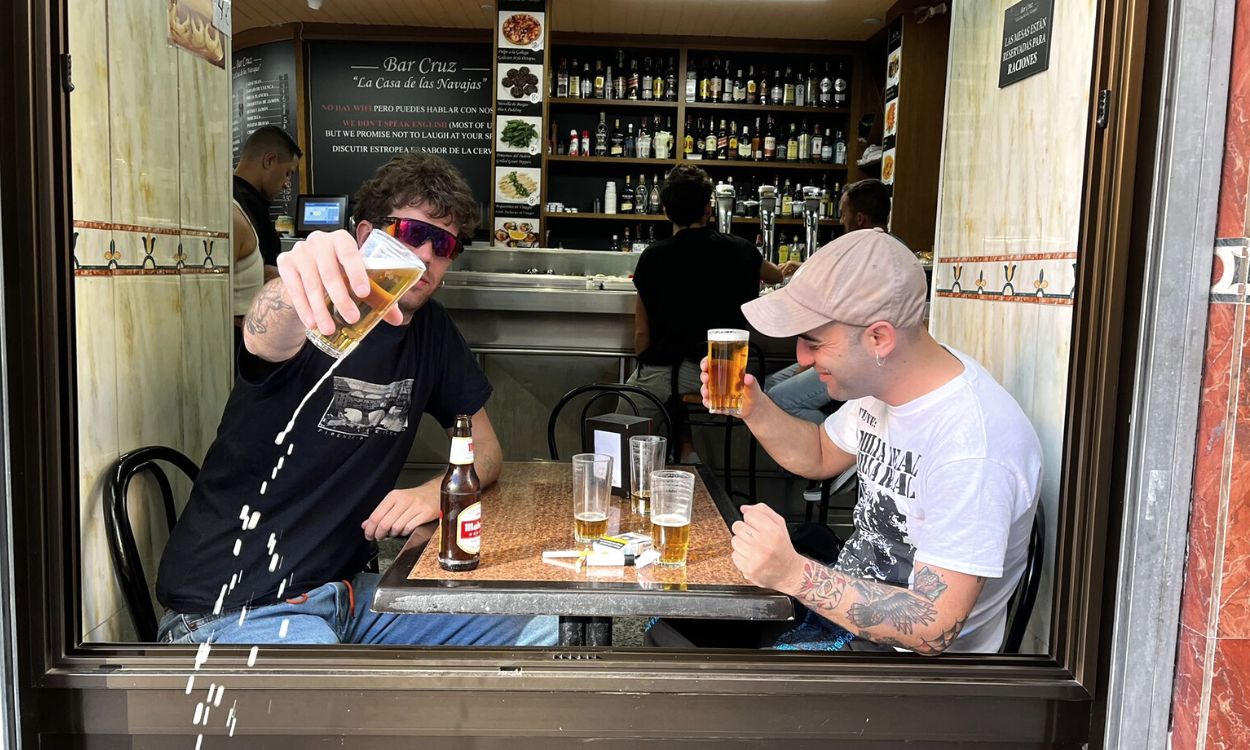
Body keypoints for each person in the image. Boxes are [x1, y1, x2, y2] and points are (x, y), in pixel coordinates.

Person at [155, 151, 556, 647]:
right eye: (411, 233)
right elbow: (265, 335)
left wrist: (436, 492)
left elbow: (487, 451)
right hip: (235, 605)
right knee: (342, 708)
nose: (426, 255)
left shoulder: (432, 332)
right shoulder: (316, 310)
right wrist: (296, 283)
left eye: (444, 243)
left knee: (542, 623)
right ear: (367, 235)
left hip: (347, 598)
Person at [708, 228, 1041, 653]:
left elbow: (933, 628)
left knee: (705, 681)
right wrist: (753, 407)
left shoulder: (973, 445)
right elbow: (820, 452)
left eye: (814, 342)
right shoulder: (885, 384)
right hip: (845, 622)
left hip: (901, 676)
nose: (801, 358)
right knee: (686, 627)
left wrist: (794, 574)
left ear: (879, 338)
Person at [624, 164, 788, 459]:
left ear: (665, 210)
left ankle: (648, 473)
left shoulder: (653, 257)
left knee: (624, 425)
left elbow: (641, 333)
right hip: (728, 375)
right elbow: (775, 275)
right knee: (671, 384)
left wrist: (645, 366)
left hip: (672, 373)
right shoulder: (743, 250)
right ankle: (687, 453)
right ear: (708, 209)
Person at [764, 178, 894, 426]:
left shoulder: (863, 255)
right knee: (771, 385)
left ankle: (836, 446)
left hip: (858, 361)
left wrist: (816, 359)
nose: (840, 221)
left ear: (859, 219)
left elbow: (846, 322)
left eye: (844, 215)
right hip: (850, 353)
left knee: (779, 399)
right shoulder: (883, 251)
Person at [234, 126, 302, 272]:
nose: (287, 184)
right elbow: (263, 272)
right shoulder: (242, 209)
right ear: (269, 160)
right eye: (288, 173)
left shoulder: (236, 198)